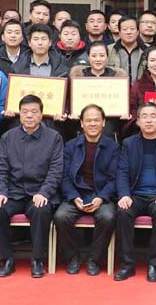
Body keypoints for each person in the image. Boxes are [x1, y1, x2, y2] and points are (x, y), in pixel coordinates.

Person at [0, 95, 64, 278]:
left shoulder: (53, 137)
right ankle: (6, 259)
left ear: (41, 114)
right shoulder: (8, 137)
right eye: (25, 112)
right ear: (20, 114)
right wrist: (0, 192)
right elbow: (0, 168)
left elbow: (56, 170)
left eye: (34, 112)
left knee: (41, 210)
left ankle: (37, 259)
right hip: (13, 192)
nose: (29, 116)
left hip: (39, 192)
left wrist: (44, 192)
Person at [113, 102, 156, 282]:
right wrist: (124, 194)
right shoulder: (129, 143)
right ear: (138, 121)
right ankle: (127, 264)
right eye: (144, 116)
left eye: (153, 116)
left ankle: (154, 265)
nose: (149, 120)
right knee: (123, 212)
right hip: (135, 194)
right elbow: (122, 172)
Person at [53, 105, 118, 276]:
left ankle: (94, 259)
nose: (93, 124)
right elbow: (64, 177)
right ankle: (73, 257)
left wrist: (101, 197)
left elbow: (114, 179)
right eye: (88, 120)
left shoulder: (113, 147)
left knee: (108, 217)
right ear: (81, 123)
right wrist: (74, 196)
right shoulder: (70, 146)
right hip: (76, 194)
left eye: (96, 120)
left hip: (101, 195)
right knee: (61, 216)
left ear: (103, 122)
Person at [70, 41, 129, 139]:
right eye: (94, 56)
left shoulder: (117, 77)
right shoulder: (78, 77)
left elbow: (123, 102)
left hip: (110, 128)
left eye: (102, 55)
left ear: (107, 57)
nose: (98, 59)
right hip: (84, 129)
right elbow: (71, 101)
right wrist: (72, 112)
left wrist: (125, 111)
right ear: (88, 57)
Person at [107, 15, 147, 83]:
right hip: (116, 88)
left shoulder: (148, 50)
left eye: (132, 29)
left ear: (138, 32)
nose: (129, 32)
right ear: (119, 33)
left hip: (142, 88)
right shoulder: (108, 50)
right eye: (125, 29)